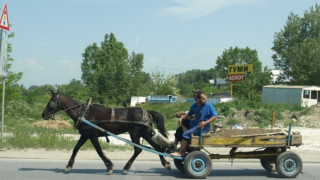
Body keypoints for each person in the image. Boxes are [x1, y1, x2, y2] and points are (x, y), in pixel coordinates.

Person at [171, 91, 218, 157]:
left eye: (205, 98)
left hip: (202, 127)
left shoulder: (209, 105)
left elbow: (215, 116)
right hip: (195, 124)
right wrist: (182, 118)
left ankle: (180, 152)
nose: (205, 100)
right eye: (203, 99)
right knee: (182, 126)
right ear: (198, 99)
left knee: (185, 133)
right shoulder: (194, 106)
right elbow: (189, 113)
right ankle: (175, 145)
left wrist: (205, 123)